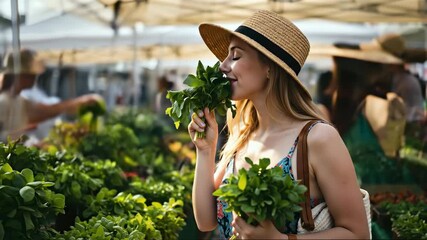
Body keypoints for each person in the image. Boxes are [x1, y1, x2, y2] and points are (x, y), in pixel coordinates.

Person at [188, 10, 369, 239]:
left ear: (269, 67)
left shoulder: (318, 138)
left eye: (235, 56)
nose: (222, 66)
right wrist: (205, 151)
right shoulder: (243, 134)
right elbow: (206, 222)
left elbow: (357, 233)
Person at [0, 49, 103, 141]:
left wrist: (79, 103)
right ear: (21, 75)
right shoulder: (3, 101)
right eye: (32, 75)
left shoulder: (19, 100)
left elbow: (45, 111)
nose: (34, 78)